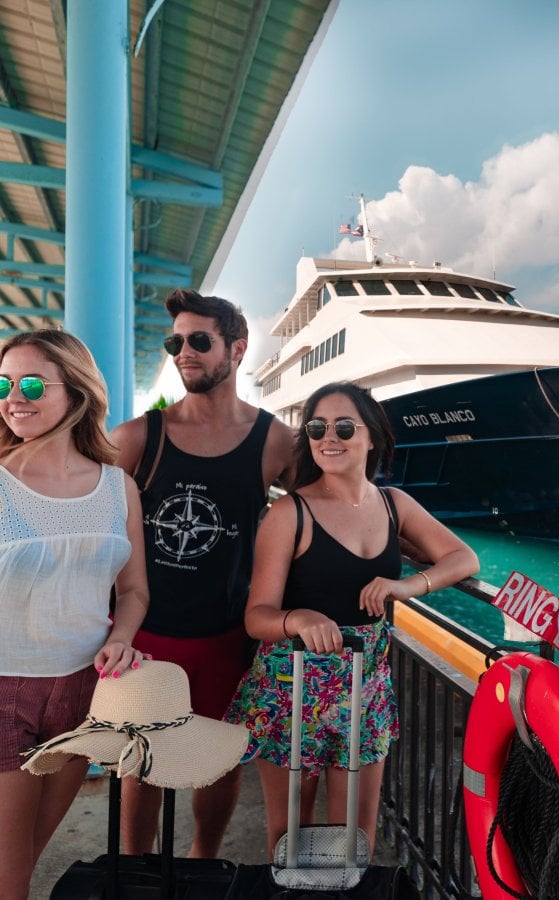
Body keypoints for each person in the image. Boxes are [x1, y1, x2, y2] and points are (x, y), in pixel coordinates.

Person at [226, 381, 479, 858]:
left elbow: (463, 559)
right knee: (290, 844)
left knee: (353, 842)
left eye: (344, 426)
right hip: (291, 689)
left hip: (365, 690)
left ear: (371, 437)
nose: (329, 437)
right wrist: (298, 617)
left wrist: (407, 586)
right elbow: (257, 617)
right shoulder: (289, 513)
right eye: (317, 427)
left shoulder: (393, 504)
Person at [110, 289, 295, 859]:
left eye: (198, 341)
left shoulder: (276, 442)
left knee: (218, 762)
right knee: (139, 765)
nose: (182, 353)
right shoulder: (139, 437)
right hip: (147, 632)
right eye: (175, 342)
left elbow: (323, 509)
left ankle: (202, 862)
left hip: (227, 633)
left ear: (237, 350)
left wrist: (396, 537)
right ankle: (137, 872)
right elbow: (86, 515)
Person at [0, 329, 149, 900]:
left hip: (84, 695)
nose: (16, 395)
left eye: (33, 382)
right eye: (6, 383)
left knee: (27, 860)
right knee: (9, 880)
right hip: (6, 690)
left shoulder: (119, 488)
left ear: (77, 392)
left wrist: (125, 639)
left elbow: (133, 590)